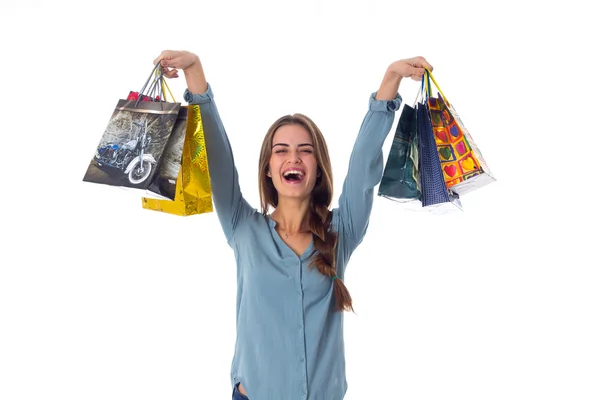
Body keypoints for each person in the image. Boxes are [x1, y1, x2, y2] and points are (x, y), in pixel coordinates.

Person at [153, 50, 432, 400]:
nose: (294, 158)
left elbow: (363, 168)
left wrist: (389, 82)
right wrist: (196, 76)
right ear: (268, 168)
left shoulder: (340, 232)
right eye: (281, 150)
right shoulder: (243, 228)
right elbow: (218, 158)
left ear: (317, 168)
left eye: (305, 150)